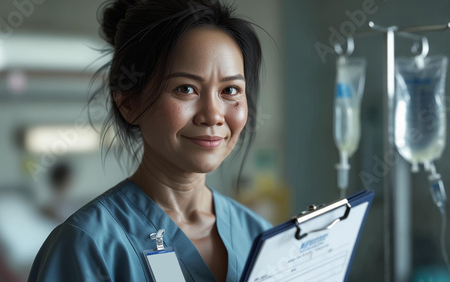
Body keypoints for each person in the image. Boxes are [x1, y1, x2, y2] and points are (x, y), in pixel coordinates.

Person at [28, 0, 272, 281]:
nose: (213, 115)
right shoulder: (88, 246)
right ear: (129, 103)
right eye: (186, 89)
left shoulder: (260, 236)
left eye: (230, 90)